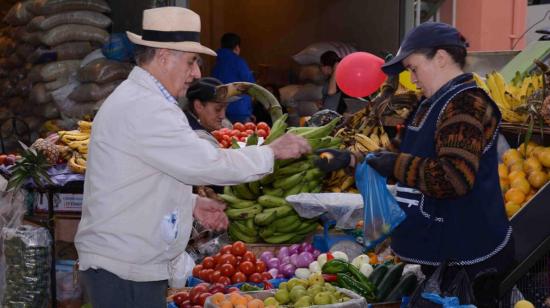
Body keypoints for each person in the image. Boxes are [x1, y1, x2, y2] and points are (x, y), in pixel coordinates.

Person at [75, 7, 311, 308]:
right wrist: (272, 152)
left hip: (126, 262)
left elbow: (141, 177)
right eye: (191, 62)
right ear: (163, 57)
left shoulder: (143, 100)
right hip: (125, 268)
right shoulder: (147, 107)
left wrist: (189, 204)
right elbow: (207, 163)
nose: (197, 73)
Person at [315, 22, 514, 306]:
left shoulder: (466, 105)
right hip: (441, 252)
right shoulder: (428, 105)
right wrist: (349, 159)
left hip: (467, 260)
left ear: (441, 58)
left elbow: (453, 177)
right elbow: (398, 152)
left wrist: (395, 165)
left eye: (414, 68)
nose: (413, 78)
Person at [212, 32, 256, 123]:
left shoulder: (216, 64)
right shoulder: (239, 62)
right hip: (239, 110)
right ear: (236, 47)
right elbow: (251, 86)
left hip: (220, 110)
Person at [184, 77, 231, 146]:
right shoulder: (194, 136)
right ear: (198, 106)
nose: (223, 116)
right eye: (218, 109)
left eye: (225, 108)